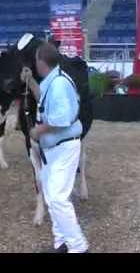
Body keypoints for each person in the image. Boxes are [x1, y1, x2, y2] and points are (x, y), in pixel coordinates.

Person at [20, 42, 89, 254]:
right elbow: (45, 100)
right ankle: (62, 243)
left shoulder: (59, 83)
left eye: (36, 61)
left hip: (63, 147)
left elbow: (63, 118)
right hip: (54, 149)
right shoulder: (54, 80)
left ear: (41, 62)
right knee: (52, 196)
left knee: (58, 198)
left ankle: (78, 247)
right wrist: (30, 82)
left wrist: (38, 131)